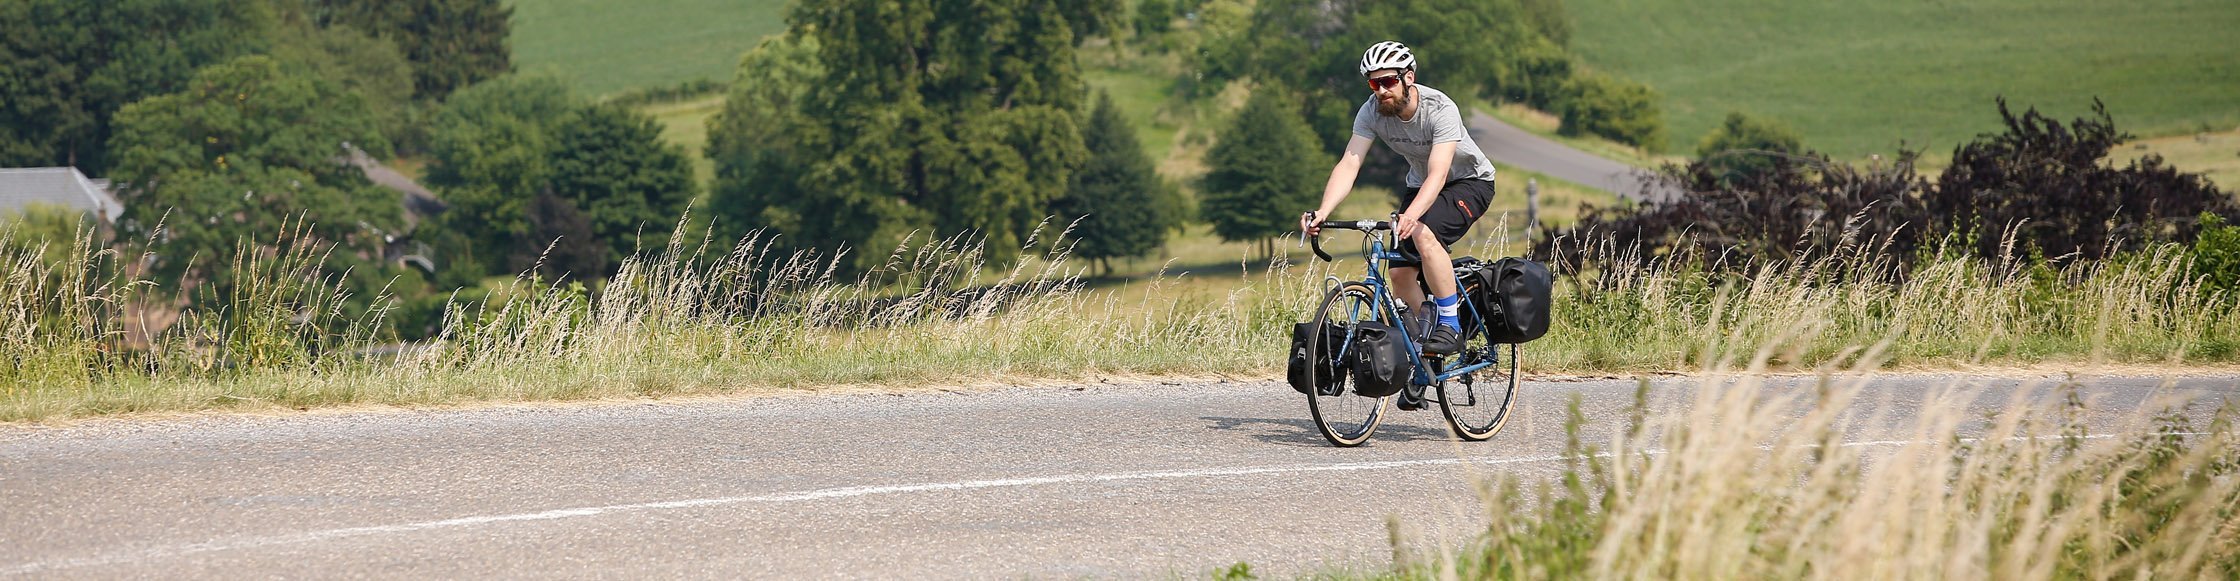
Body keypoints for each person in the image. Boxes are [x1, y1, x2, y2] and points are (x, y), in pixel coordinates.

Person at [1300, 41, 1498, 357]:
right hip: (1421, 185)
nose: (1381, 91)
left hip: (1469, 182)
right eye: (1374, 83)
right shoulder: (1371, 111)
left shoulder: (1440, 108)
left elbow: (1438, 173)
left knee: (1422, 232)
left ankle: (1451, 326)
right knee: (1400, 273)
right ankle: (1426, 347)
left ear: (1409, 77)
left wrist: (1412, 216)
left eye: (1388, 81)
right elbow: (1350, 162)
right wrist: (1323, 210)